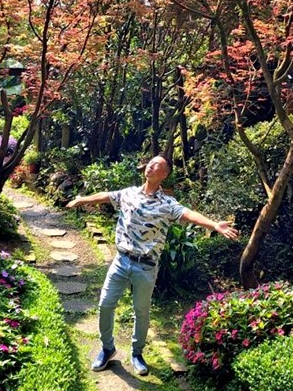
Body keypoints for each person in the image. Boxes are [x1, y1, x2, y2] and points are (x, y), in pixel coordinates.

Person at [67, 155, 239, 376]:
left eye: (157, 164)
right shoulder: (128, 194)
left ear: (164, 174)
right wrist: (83, 199)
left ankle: (137, 353)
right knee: (105, 304)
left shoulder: (167, 205)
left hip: (146, 267)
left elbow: (189, 214)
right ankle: (108, 348)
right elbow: (106, 196)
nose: (150, 165)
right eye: (150, 162)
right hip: (121, 260)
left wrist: (214, 224)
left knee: (141, 312)